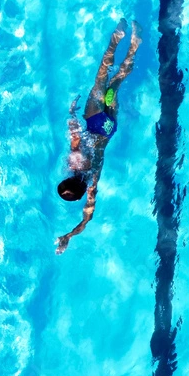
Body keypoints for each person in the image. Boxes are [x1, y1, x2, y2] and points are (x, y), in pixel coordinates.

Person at [56, 19, 142, 254]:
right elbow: (75, 136)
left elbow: (87, 217)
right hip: (94, 122)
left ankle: (135, 44)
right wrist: (71, 114)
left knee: (117, 82)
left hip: (108, 129)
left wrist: (69, 235)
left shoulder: (92, 181)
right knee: (102, 76)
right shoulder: (75, 163)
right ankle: (116, 39)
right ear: (66, 179)